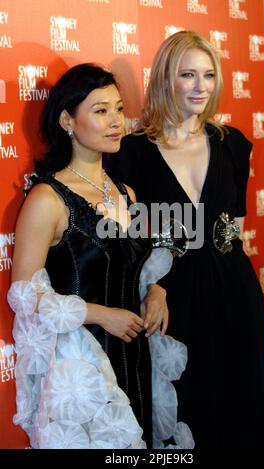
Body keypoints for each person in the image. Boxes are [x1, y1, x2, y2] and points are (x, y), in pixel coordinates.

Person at [107, 31, 264, 448]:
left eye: (208, 75)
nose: (201, 86)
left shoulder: (232, 144)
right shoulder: (131, 152)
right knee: (190, 410)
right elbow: (129, 239)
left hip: (234, 289)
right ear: (166, 80)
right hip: (172, 298)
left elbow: (231, 230)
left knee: (242, 402)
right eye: (188, 75)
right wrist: (153, 287)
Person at [7, 63, 173, 449]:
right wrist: (100, 314)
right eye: (100, 111)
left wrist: (156, 291)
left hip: (134, 351)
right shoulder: (46, 200)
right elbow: (23, 296)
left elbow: (133, 265)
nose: (116, 121)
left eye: (118, 108)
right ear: (68, 120)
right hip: (82, 365)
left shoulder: (126, 192)